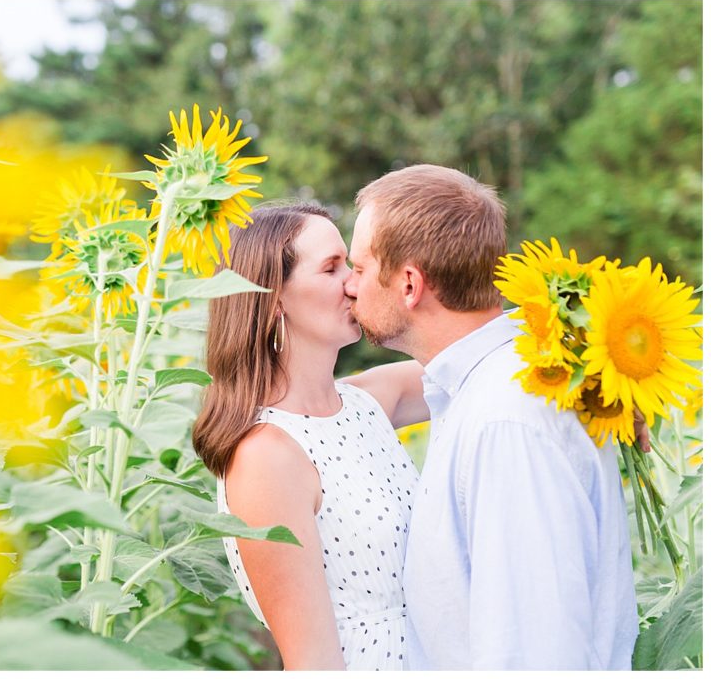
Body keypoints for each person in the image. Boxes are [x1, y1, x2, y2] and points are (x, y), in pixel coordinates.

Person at [343, 164, 639, 669]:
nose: (349, 287)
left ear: (409, 283)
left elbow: (533, 651)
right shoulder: (500, 380)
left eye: (359, 268)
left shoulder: (506, 420)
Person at [192, 203, 427, 670]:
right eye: (331, 268)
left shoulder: (364, 403)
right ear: (273, 297)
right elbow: (311, 664)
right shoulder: (265, 457)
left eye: (352, 265)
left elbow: (474, 358)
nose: (356, 284)